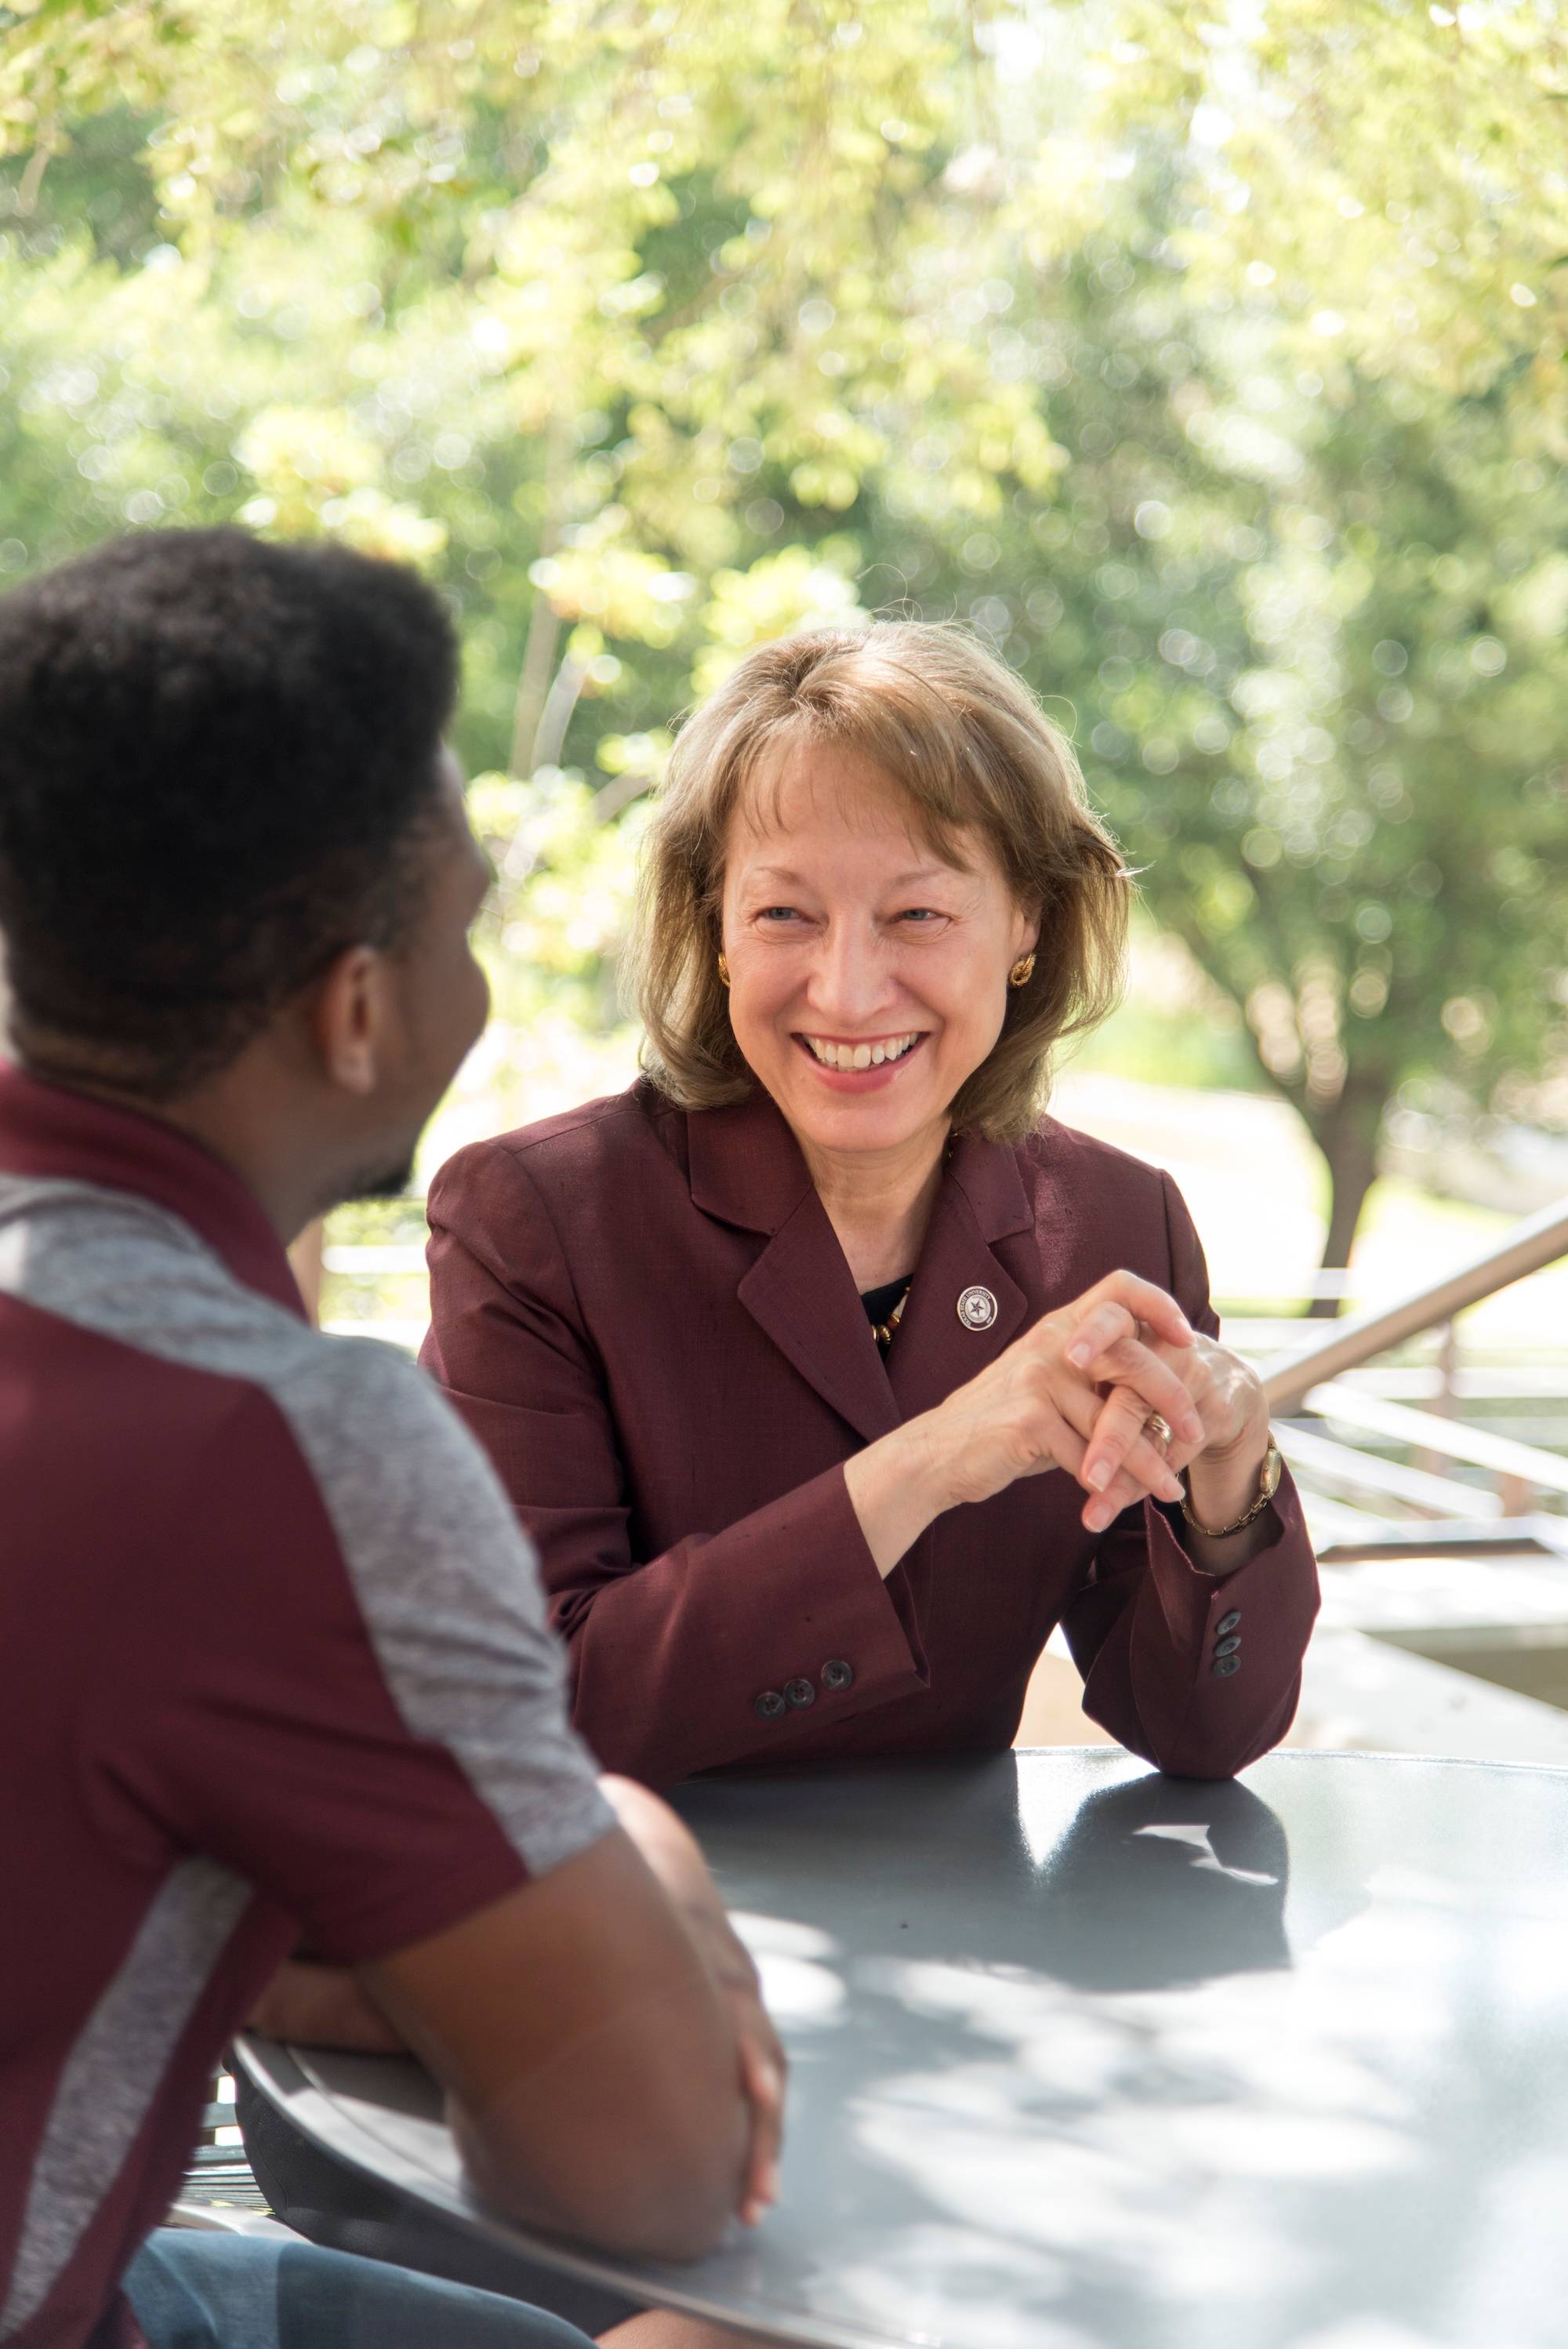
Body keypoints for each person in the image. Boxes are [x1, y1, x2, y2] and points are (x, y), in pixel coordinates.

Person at [0, 529, 781, 2349]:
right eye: (468, 927)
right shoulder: (277, 1448)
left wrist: (318, 1964)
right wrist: (639, 1839)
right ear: (357, 1009)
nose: (484, 984)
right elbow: (652, 2167)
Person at [423, 623, 1320, 1791]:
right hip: (621, 1923)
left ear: (1029, 923)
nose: (846, 990)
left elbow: (1203, 1733)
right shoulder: (533, 1220)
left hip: (960, 1929)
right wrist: (931, 1461)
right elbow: (526, 1708)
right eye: (785, 914)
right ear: (716, 928)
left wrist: (1228, 1483)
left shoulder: (1118, 1222)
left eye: (918, 916)